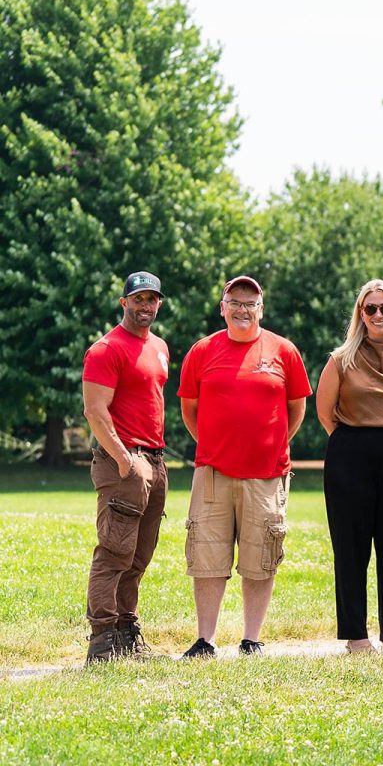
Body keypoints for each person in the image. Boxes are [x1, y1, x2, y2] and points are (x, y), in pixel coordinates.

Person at [177, 275, 311, 658]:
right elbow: (190, 408)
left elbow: (296, 407)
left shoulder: (283, 351)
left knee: (260, 557)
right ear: (223, 308)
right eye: (234, 302)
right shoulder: (202, 351)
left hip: (267, 475)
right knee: (207, 556)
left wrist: (272, 443)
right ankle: (205, 640)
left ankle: (251, 639)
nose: (242, 309)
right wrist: (215, 443)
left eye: (250, 303)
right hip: (213, 473)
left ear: (261, 309)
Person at [315, 280, 383, 654]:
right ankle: (356, 637)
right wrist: (355, 443)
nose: (378, 315)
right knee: (351, 547)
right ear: (360, 314)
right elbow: (324, 412)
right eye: (370, 308)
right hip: (350, 454)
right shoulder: (341, 359)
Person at [81, 271, 170, 663]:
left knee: (138, 556)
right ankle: (102, 641)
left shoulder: (160, 347)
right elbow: (95, 412)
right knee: (114, 551)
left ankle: (126, 633)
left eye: (152, 299)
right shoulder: (105, 349)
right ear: (124, 303)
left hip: (155, 458)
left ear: (159, 304)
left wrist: (148, 464)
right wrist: (123, 459)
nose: (145, 305)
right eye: (138, 299)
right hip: (124, 461)